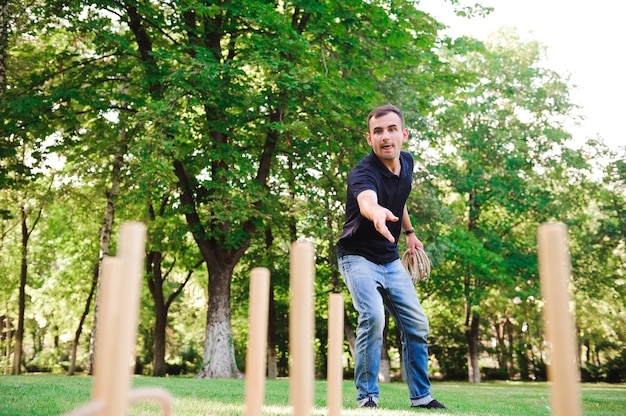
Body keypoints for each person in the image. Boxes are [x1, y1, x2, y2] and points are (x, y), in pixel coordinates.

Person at [336, 104, 446, 410]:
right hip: (356, 257)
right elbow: (367, 200)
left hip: (390, 258)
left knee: (417, 324)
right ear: (369, 138)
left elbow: (402, 198)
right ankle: (367, 397)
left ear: (404, 134)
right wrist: (376, 213)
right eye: (378, 131)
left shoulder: (407, 163)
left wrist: (409, 233)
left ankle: (421, 398)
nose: (386, 137)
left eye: (392, 129)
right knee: (373, 316)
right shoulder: (362, 173)